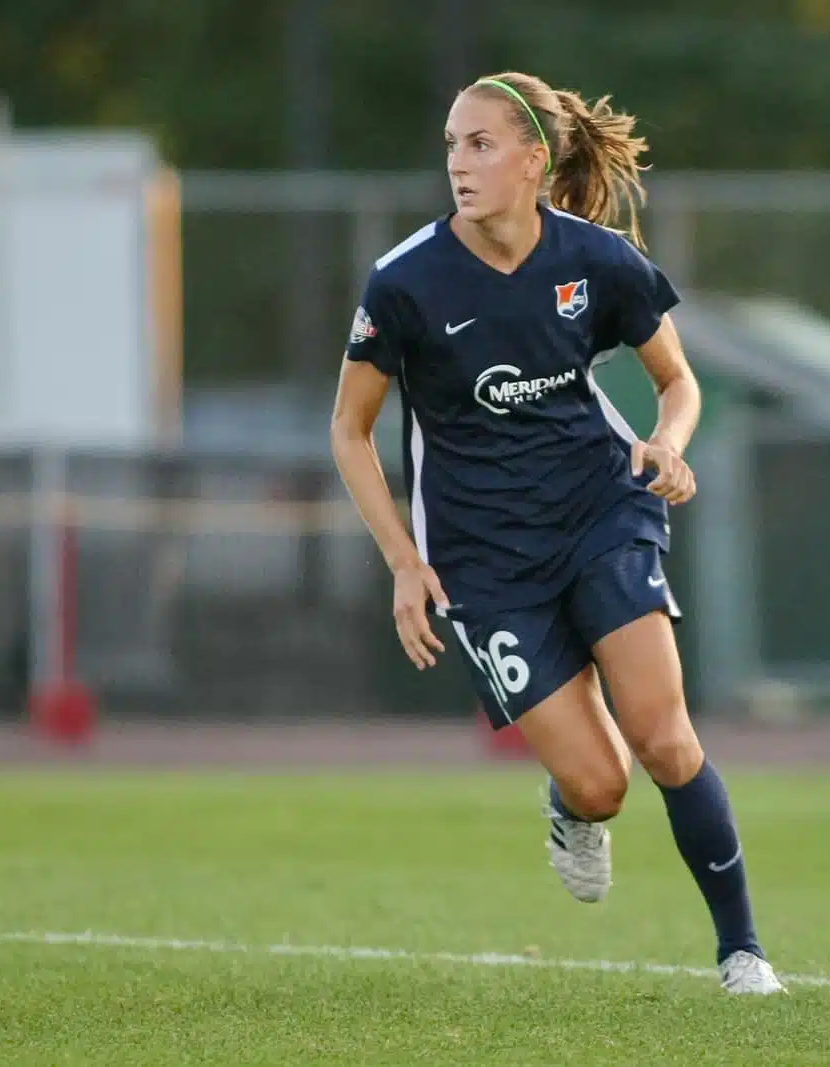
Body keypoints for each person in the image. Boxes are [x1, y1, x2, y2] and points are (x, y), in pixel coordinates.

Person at [329, 72, 782, 994]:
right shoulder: (405, 280)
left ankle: (743, 951)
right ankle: (572, 806)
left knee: (665, 737)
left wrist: (668, 443)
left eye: (480, 144)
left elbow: (678, 382)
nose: (459, 164)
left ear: (534, 160)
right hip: (482, 561)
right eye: (452, 145)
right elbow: (348, 429)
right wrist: (404, 561)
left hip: (600, 511)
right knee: (602, 785)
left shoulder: (598, 260)